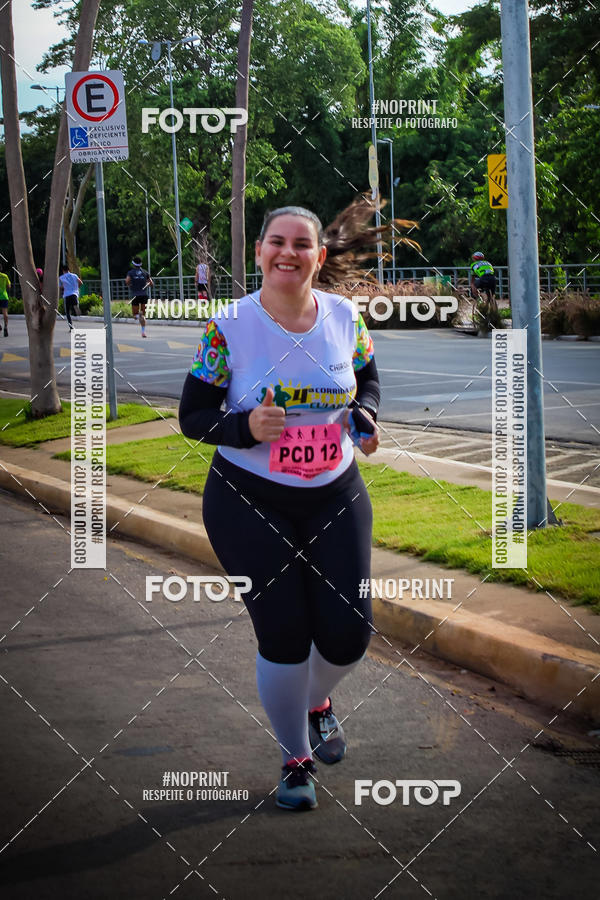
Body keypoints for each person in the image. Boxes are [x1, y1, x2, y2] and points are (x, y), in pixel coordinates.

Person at [179, 197, 389, 812]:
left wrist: (366, 416)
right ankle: (296, 760)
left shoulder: (345, 318)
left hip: (335, 490)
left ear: (319, 257)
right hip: (247, 498)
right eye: (277, 242)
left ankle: (317, 702)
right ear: (260, 252)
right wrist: (244, 427)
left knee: (349, 634)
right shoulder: (230, 327)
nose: (288, 253)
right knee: (287, 633)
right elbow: (193, 416)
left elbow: (368, 379)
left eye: (302, 244)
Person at [125, 256, 153, 337]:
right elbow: (151, 284)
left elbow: (127, 281)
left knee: (135, 315)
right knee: (143, 315)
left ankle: (138, 315)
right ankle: (143, 331)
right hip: (144, 295)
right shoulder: (145, 272)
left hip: (135, 295)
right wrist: (145, 285)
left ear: (133, 263)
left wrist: (130, 285)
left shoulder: (130, 273)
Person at [58, 264, 83, 331]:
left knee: (68, 313)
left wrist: (64, 288)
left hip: (67, 295)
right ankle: (75, 306)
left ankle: (71, 327)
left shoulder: (61, 278)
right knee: (74, 304)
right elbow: (81, 282)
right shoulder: (74, 275)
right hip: (74, 294)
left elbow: (60, 287)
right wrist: (76, 288)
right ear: (68, 269)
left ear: (63, 270)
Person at [0, 264, 11, 336]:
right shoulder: (5, 276)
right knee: (5, 313)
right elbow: (9, 286)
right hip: (4, 296)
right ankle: (6, 327)